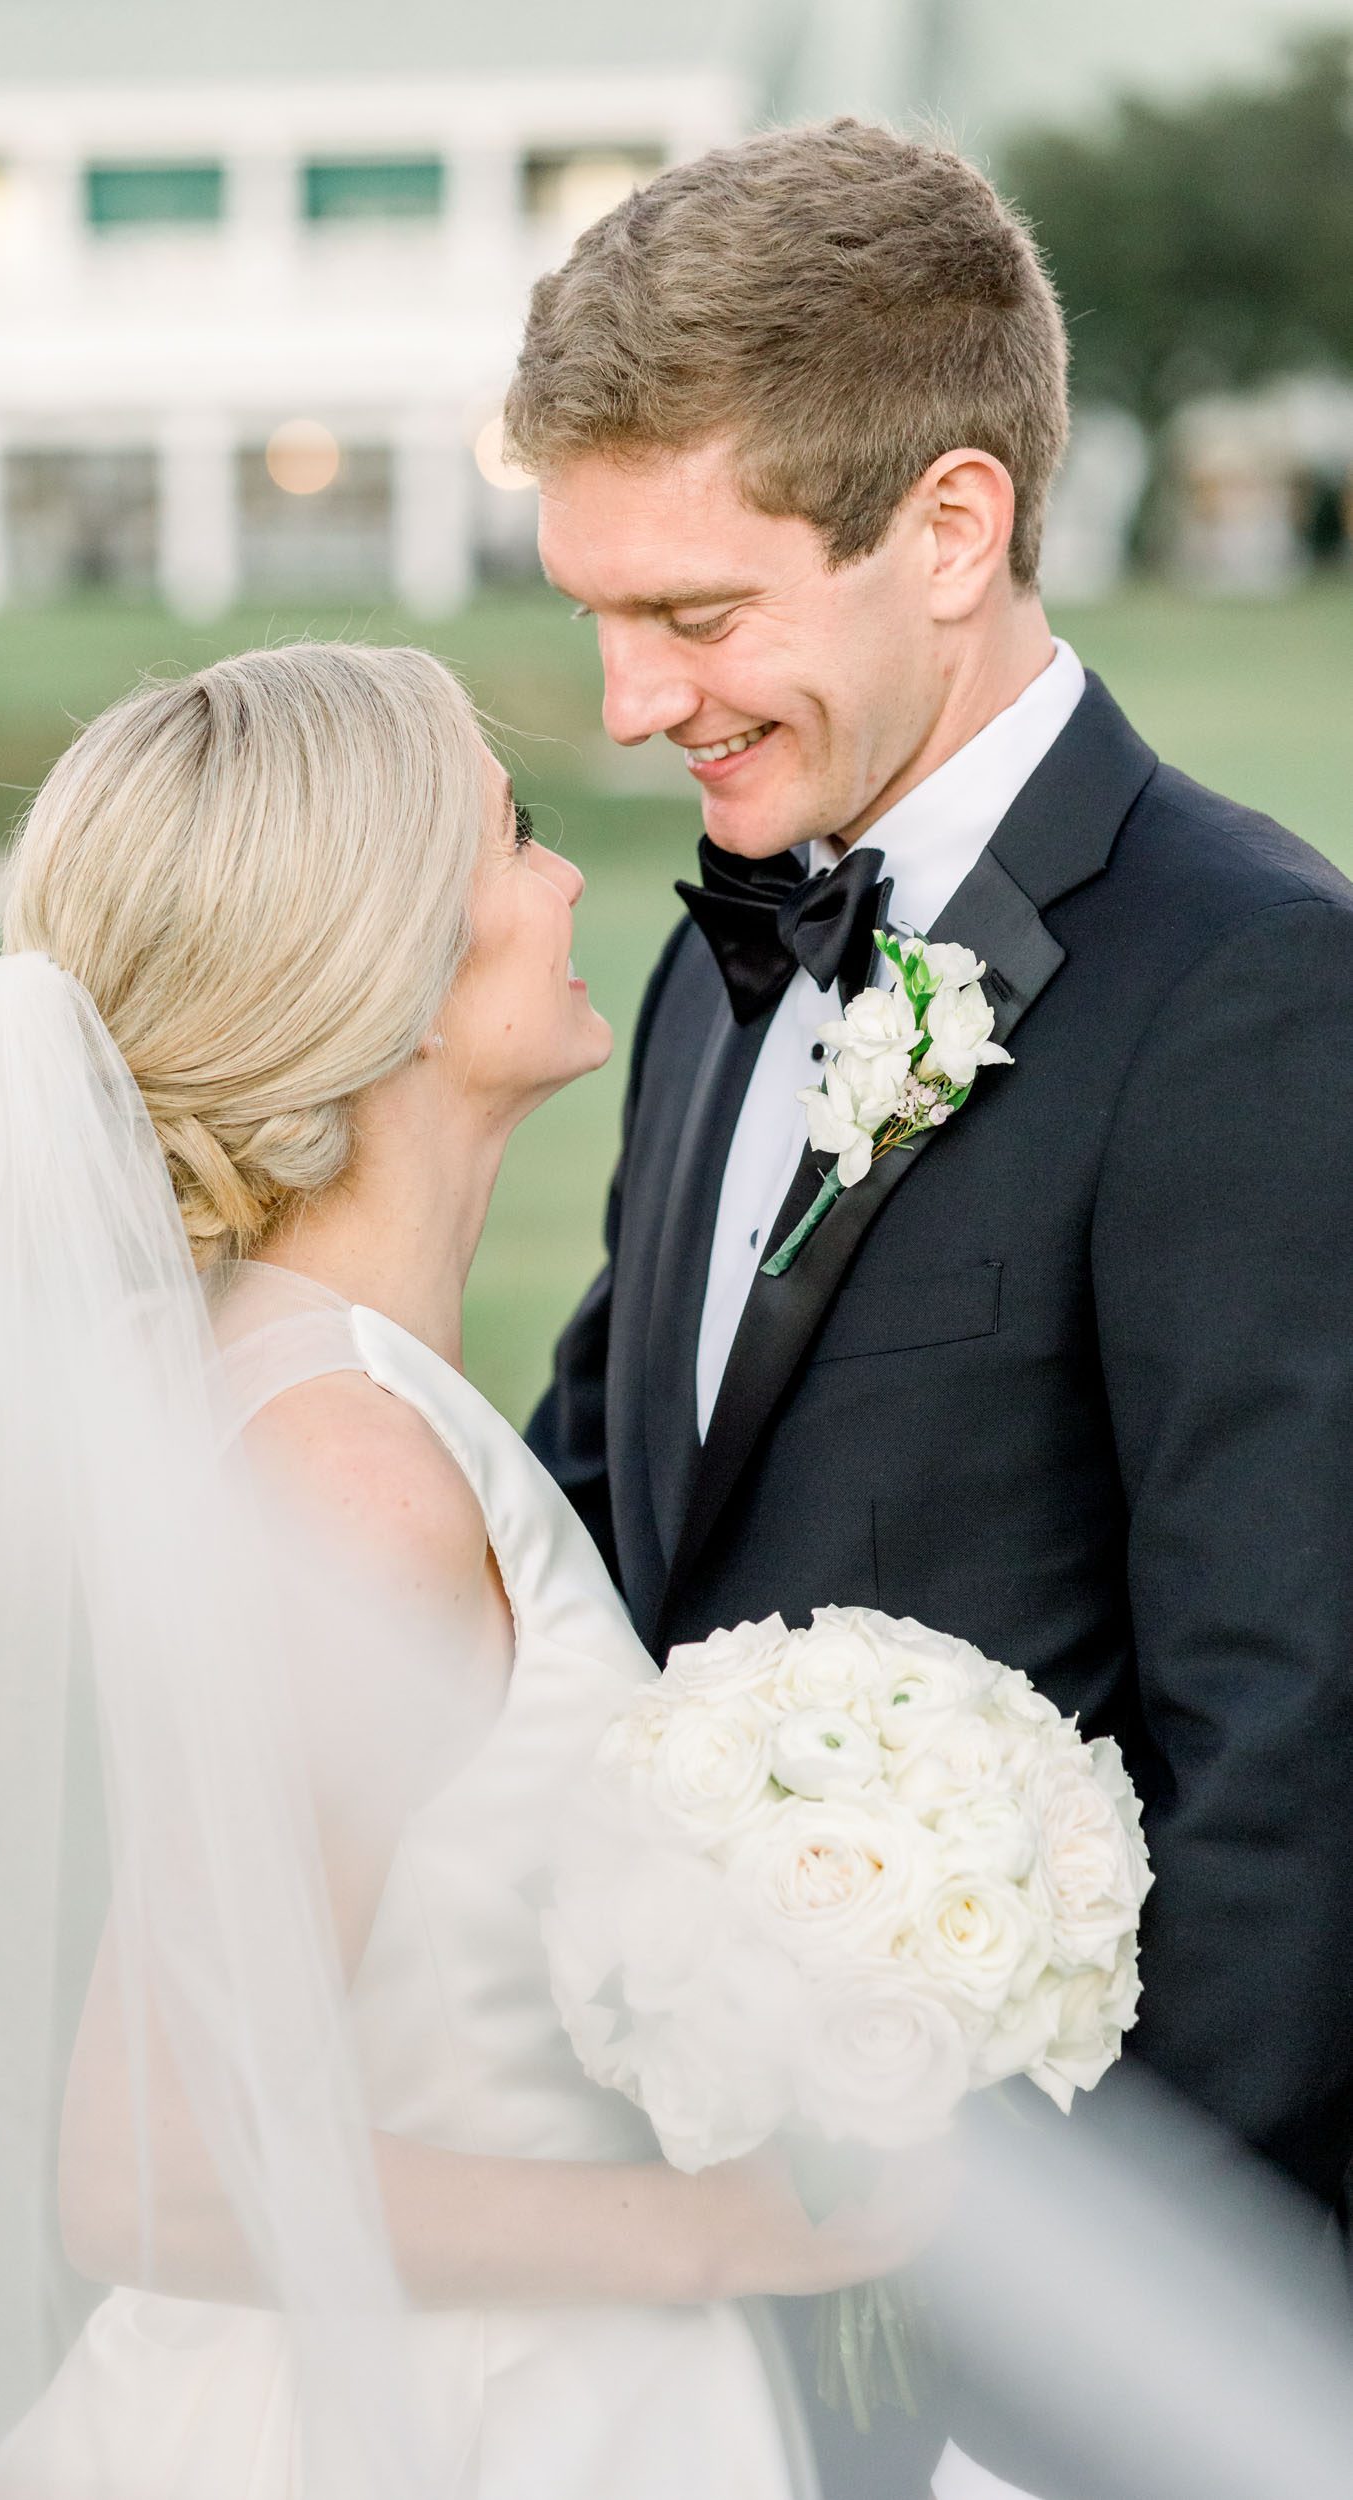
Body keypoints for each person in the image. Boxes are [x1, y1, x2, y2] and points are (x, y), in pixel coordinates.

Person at [0, 643, 939, 2500]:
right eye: (512, 838)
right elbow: (154, 2163)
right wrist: (723, 2234)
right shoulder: (346, 1467)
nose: (567, 876)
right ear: (386, 966)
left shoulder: (263, 1382)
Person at [510, 117, 1353, 2500]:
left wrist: (1076, 2380)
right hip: (740, 2319)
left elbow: (1297, 1745)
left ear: (955, 528)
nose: (626, 700)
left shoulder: (1254, 987)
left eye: (693, 614)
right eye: (593, 608)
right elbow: (620, 1496)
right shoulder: (721, 949)